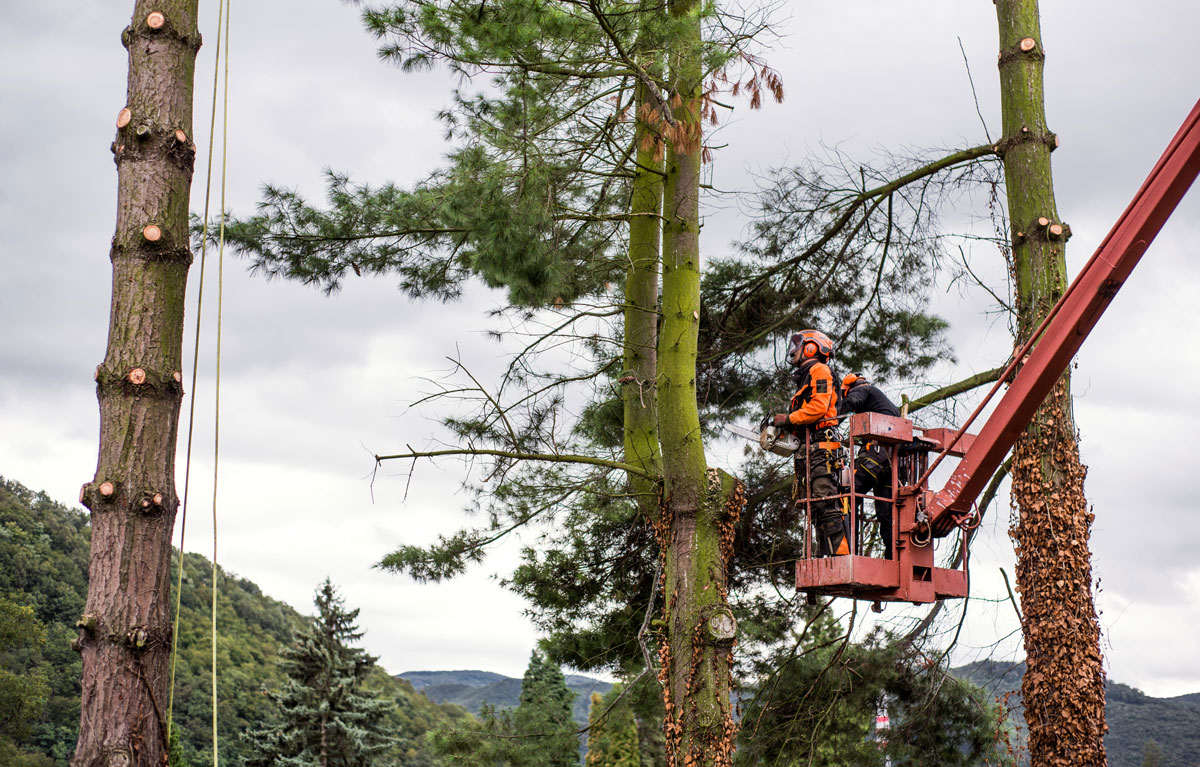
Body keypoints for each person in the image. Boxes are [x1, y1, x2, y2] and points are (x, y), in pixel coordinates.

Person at [772, 329, 847, 557]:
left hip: (821, 447)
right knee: (813, 506)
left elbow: (818, 408)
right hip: (808, 449)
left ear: (812, 347)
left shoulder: (819, 370)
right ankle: (823, 556)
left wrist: (788, 418)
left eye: (798, 344)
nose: (794, 349)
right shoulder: (806, 376)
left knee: (825, 501)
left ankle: (841, 555)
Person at [839, 373, 901, 559]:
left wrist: (830, 423)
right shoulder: (884, 404)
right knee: (887, 511)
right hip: (892, 462)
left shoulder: (863, 390)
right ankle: (894, 558)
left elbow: (850, 403)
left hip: (875, 455)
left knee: (846, 495)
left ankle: (847, 555)